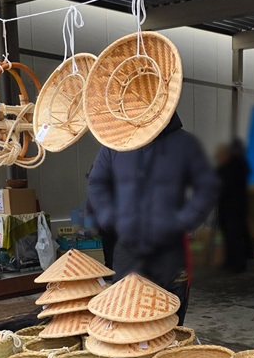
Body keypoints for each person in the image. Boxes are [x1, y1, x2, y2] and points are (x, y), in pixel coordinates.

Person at [88, 112, 220, 324]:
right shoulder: (116, 143)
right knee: (125, 322)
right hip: (128, 251)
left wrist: (182, 222)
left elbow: (207, 186)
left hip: (171, 254)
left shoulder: (184, 143)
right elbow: (97, 182)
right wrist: (109, 217)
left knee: (171, 323)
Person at [215, 139, 251, 273]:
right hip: (233, 207)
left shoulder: (233, 167)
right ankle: (233, 261)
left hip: (232, 207)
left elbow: (225, 184)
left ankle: (237, 263)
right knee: (231, 235)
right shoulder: (238, 165)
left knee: (233, 236)